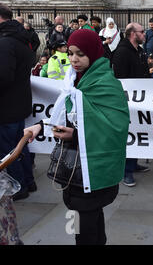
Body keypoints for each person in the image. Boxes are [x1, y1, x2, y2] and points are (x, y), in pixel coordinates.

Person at [24, 29, 130, 245]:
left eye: (80, 54)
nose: (73, 59)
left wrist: (76, 134)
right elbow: (64, 115)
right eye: (70, 53)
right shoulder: (73, 80)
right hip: (76, 171)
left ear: (93, 52)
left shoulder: (105, 83)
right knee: (87, 224)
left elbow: (115, 128)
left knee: (85, 229)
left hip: (93, 170)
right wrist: (40, 126)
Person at [0, 4, 35, 201]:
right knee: (19, 145)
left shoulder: (5, 43)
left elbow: (3, 76)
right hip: (18, 102)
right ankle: (28, 181)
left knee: (8, 150)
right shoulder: (21, 38)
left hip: (6, 106)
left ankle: (18, 187)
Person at [112, 23, 150, 186]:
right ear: (133, 34)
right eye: (142, 32)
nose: (144, 34)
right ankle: (126, 171)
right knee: (127, 135)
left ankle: (133, 164)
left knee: (136, 132)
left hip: (139, 100)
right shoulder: (122, 52)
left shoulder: (138, 51)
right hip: (127, 101)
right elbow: (121, 78)